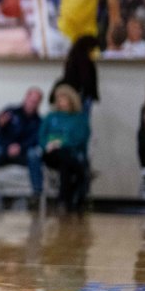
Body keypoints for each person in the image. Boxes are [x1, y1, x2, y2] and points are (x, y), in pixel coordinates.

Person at [0, 86, 44, 200]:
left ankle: (37, 195)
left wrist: (20, 147)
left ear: (39, 103)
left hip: (23, 154)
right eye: (31, 100)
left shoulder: (39, 121)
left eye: (36, 101)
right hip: (4, 151)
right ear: (26, 98)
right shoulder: (11, 111)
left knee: (34, 155)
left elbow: (35, 140)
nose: (32, 103)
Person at [41, 83, 90, 213]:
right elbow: (41, 136)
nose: (61, 102)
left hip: (71, 154)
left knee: (65, 165)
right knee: (68, 162)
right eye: (59, 99)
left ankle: (63, 200)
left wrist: (60, 142)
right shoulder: (51, 117)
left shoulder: (80, 119)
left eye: (64, 99)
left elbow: (79, 139)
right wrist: (51, 143)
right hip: (51, 154)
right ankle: (70, 198)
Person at [60, 34, 101, 111]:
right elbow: (87, 80)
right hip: (83, 94)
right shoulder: (85, 62)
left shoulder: (71, 60)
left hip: (74, 93)